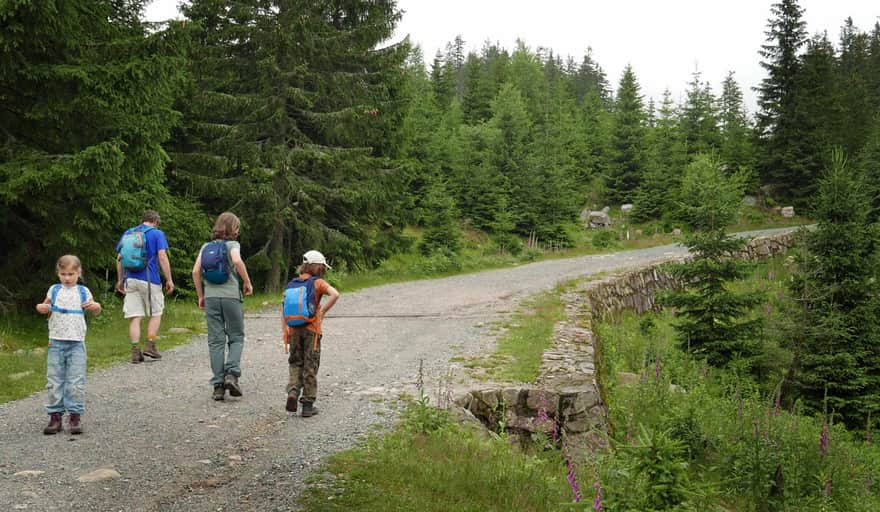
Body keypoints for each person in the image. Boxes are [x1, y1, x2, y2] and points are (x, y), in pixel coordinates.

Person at [36, 255, 102, 435]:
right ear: (58, 273)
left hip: (77, 344)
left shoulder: (83, 291)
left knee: (76, 380)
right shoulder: (54, 290)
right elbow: (44, 306)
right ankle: (55, 416)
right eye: (63, 273)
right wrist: (41, 308)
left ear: (78, 273)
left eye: (71, 274)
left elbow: (96, 309)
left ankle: (75, 415)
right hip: (56, 342)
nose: (67, 277)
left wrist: (95, 306)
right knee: (54, 380)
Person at [192, 212, 254, 401]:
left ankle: (218, 386)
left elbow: (195, 271)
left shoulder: (206, 246)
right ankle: (231, 374)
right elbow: (236, 260)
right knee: (236, 336)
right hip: (231, 298)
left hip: (211, 298)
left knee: (215, 341)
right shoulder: (232, 245)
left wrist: (201, 295)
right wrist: (247, 281)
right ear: (233, 228)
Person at [285, 250, 340, 417]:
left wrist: (285, 332)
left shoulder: (292, 284)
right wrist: (321, 313)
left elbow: (284, 309)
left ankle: (293, 392)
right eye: (322, 267)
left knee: (295, 362)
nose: (323, 270)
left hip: (293, 328)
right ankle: (308, 405)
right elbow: (335, 294)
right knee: (311, 363)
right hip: (312, 330)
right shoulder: (318, 283)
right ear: (317, 266)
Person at [116, 210, 174, 364]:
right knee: (156, 312)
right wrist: (169, 279)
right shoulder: (157, 234)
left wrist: (120, 280)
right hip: (150, 279)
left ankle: (135, 352)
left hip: (130, 279)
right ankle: (150, 345)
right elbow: (162, 256)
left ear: (143, 220)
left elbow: (119, 258)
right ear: (156, 221)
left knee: (135, 315)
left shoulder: (129, 232)